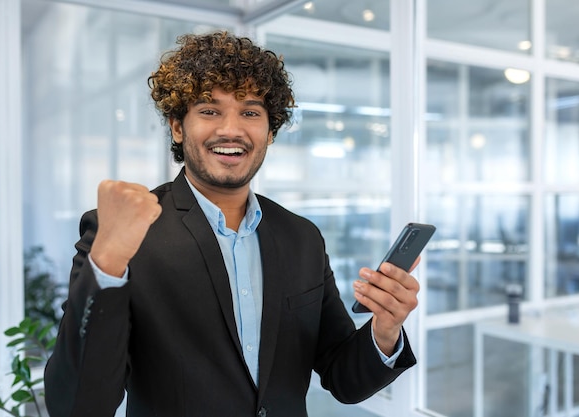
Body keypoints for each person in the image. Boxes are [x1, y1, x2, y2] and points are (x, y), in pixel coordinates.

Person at [44, 31, 419, 417]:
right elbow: (78, 406)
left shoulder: (301, 237)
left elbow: (344, 380)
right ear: (177, 127)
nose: (231, 129)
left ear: (270, 132)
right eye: (209, 110)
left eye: (251, 112)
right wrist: (107, 263)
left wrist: (385, 331)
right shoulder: (123, 230)